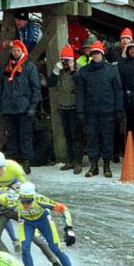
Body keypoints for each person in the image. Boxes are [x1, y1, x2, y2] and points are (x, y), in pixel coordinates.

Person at [0, 186, 67, 266]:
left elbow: (26, 204)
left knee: (36, 238)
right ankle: (10, 264)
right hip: (1, 215)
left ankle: (55, 263)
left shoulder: (7, 199)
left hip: (18, 212)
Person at [16, 182, 82, 266]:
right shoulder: (13, 201)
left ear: (34, 198)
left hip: (43, 221)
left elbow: (63, 208)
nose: (25, 205)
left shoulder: (41, 200)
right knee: (25, 248)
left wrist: (69, 228)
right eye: (23, 201)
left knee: (55, 248)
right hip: (26, 223)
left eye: (29, 202)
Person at [76, 41, 122, 177]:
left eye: (97, 53)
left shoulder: (112, 70)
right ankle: (94, 165)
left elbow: (118, 91)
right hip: (91, 112)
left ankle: (106, 165)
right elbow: (80, 93)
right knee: (92, 138)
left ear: (102, 54)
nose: (95, 55)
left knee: (107, 138)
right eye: (93, 53)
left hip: (108, 111)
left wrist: (119, 109)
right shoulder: (84, 72)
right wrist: (80, 110)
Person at [0, 40, 39, 174]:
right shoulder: (6, 66)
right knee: (11, 136)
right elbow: (1, 87)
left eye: (18, 51)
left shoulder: (29, 67)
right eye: (13, 50)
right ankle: (12, 162)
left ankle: (26, 162)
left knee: (25, 135)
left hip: (24, 108)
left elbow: (35, 87)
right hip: (9, 107)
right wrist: (1, 105)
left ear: (23, 51)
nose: (15, 53)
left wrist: (33, 105)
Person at [48, 44, 82, 173]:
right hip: (63, 106)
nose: (65, 63)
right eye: (63, 60)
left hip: (75, 107)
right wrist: (56, 71)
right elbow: (50, 83)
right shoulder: (59, 70)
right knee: (67, 135)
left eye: (67, 60)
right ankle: (70, 160)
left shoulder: (79, 69)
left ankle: (78, 161)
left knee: (76, 135)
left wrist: (73, 70)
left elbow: (80, 85)